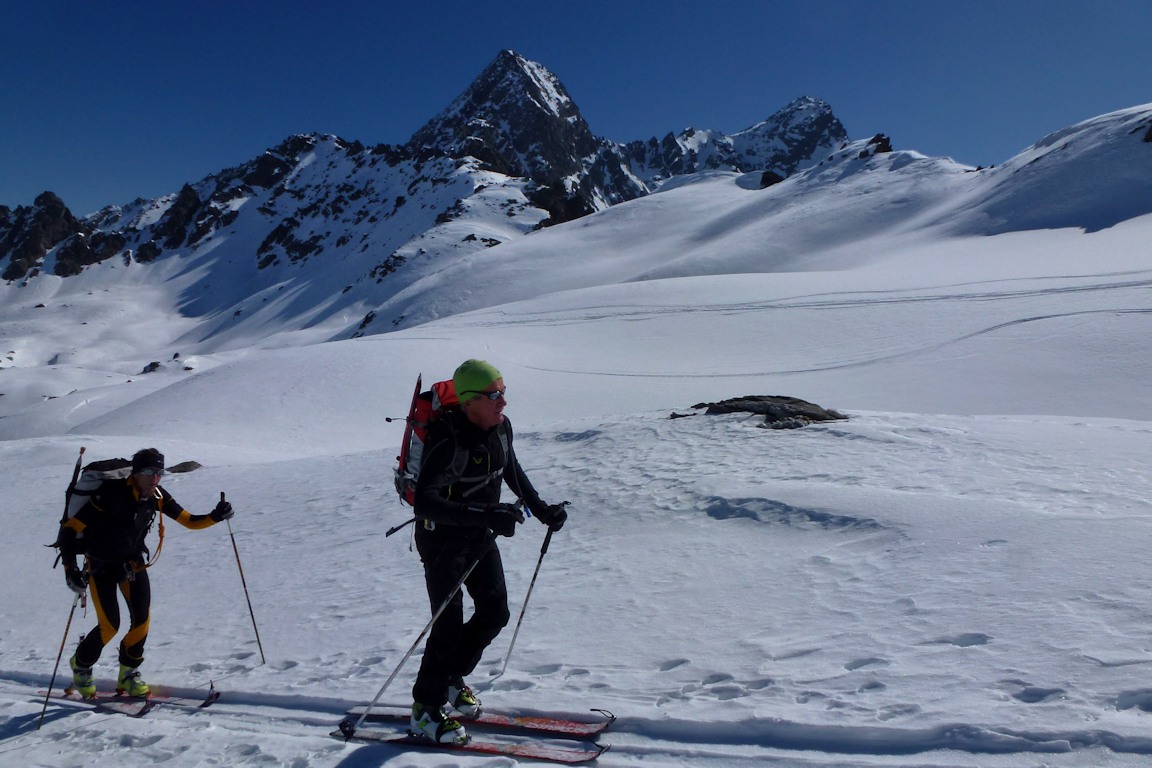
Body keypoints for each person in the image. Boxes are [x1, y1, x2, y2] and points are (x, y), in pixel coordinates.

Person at [409, 359, 568, 744]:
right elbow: (425, 503)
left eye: (503, 391)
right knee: (446, 627)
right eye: (494, 394)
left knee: (495, 611)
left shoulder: (499, 429)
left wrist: (541, 507)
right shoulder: (449, 440)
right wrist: (484, 512)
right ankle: (424, 711)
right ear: (468, 401)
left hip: (480, 534)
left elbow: (510, 469)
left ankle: (451, 678)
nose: (503, 402)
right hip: (442, 540)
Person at [55, 447, 235, 698]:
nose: (155, 478)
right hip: (101, 566)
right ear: (136, 472)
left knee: (141, 621)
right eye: (149, 472)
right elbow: (71, 528)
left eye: (159, 472)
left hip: (132, 564)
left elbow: (190, 521)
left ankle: (128, 674)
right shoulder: (110, 495)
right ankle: (81, 665)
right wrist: (70, 568)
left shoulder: (157, 496)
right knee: (109, 627)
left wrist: (215, 516)